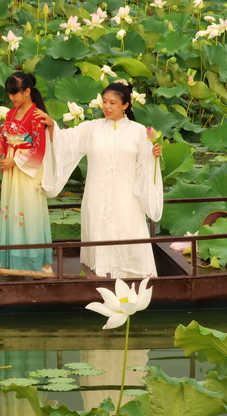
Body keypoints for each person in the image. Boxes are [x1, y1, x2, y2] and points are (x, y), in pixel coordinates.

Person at [37, 79, 163, 278]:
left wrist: (153, 155)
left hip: (127, 195)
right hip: (97, 193)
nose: (107, 107)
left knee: (128, 231)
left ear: (125, 105)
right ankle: (100, 275)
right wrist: (52, 125)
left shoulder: (139, 131)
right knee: (99, 231)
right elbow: (65, 141)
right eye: (104, 101)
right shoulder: (91, 128)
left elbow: (145, 166)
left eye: (113, 103)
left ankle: (134, 275)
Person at [0, 72, 53, 273]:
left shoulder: (37, 115)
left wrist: (14, 161)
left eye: (15, 93)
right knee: (12, 212)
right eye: (10, 93)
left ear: (27, 91)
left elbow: (39, 148)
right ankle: (15, 263)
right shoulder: (11, 114)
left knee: (30, 212)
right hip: (12, 170)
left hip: (27, 171)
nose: (12, 98)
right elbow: (5, 142)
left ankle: (42, 264)